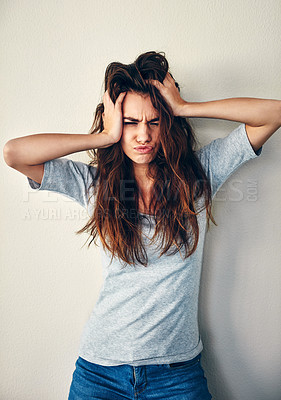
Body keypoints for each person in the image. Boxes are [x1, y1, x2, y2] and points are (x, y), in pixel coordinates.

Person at [3, 51, 281, 400]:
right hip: (99, 373)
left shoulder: (199, 174)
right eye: (131, 123)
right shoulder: (95, 184)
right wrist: (104, 137)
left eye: (154, 121)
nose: (142, 135)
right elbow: (14, 153)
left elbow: (274, 114)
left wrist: (183, 107)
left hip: (177, 375)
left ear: (167, 124)